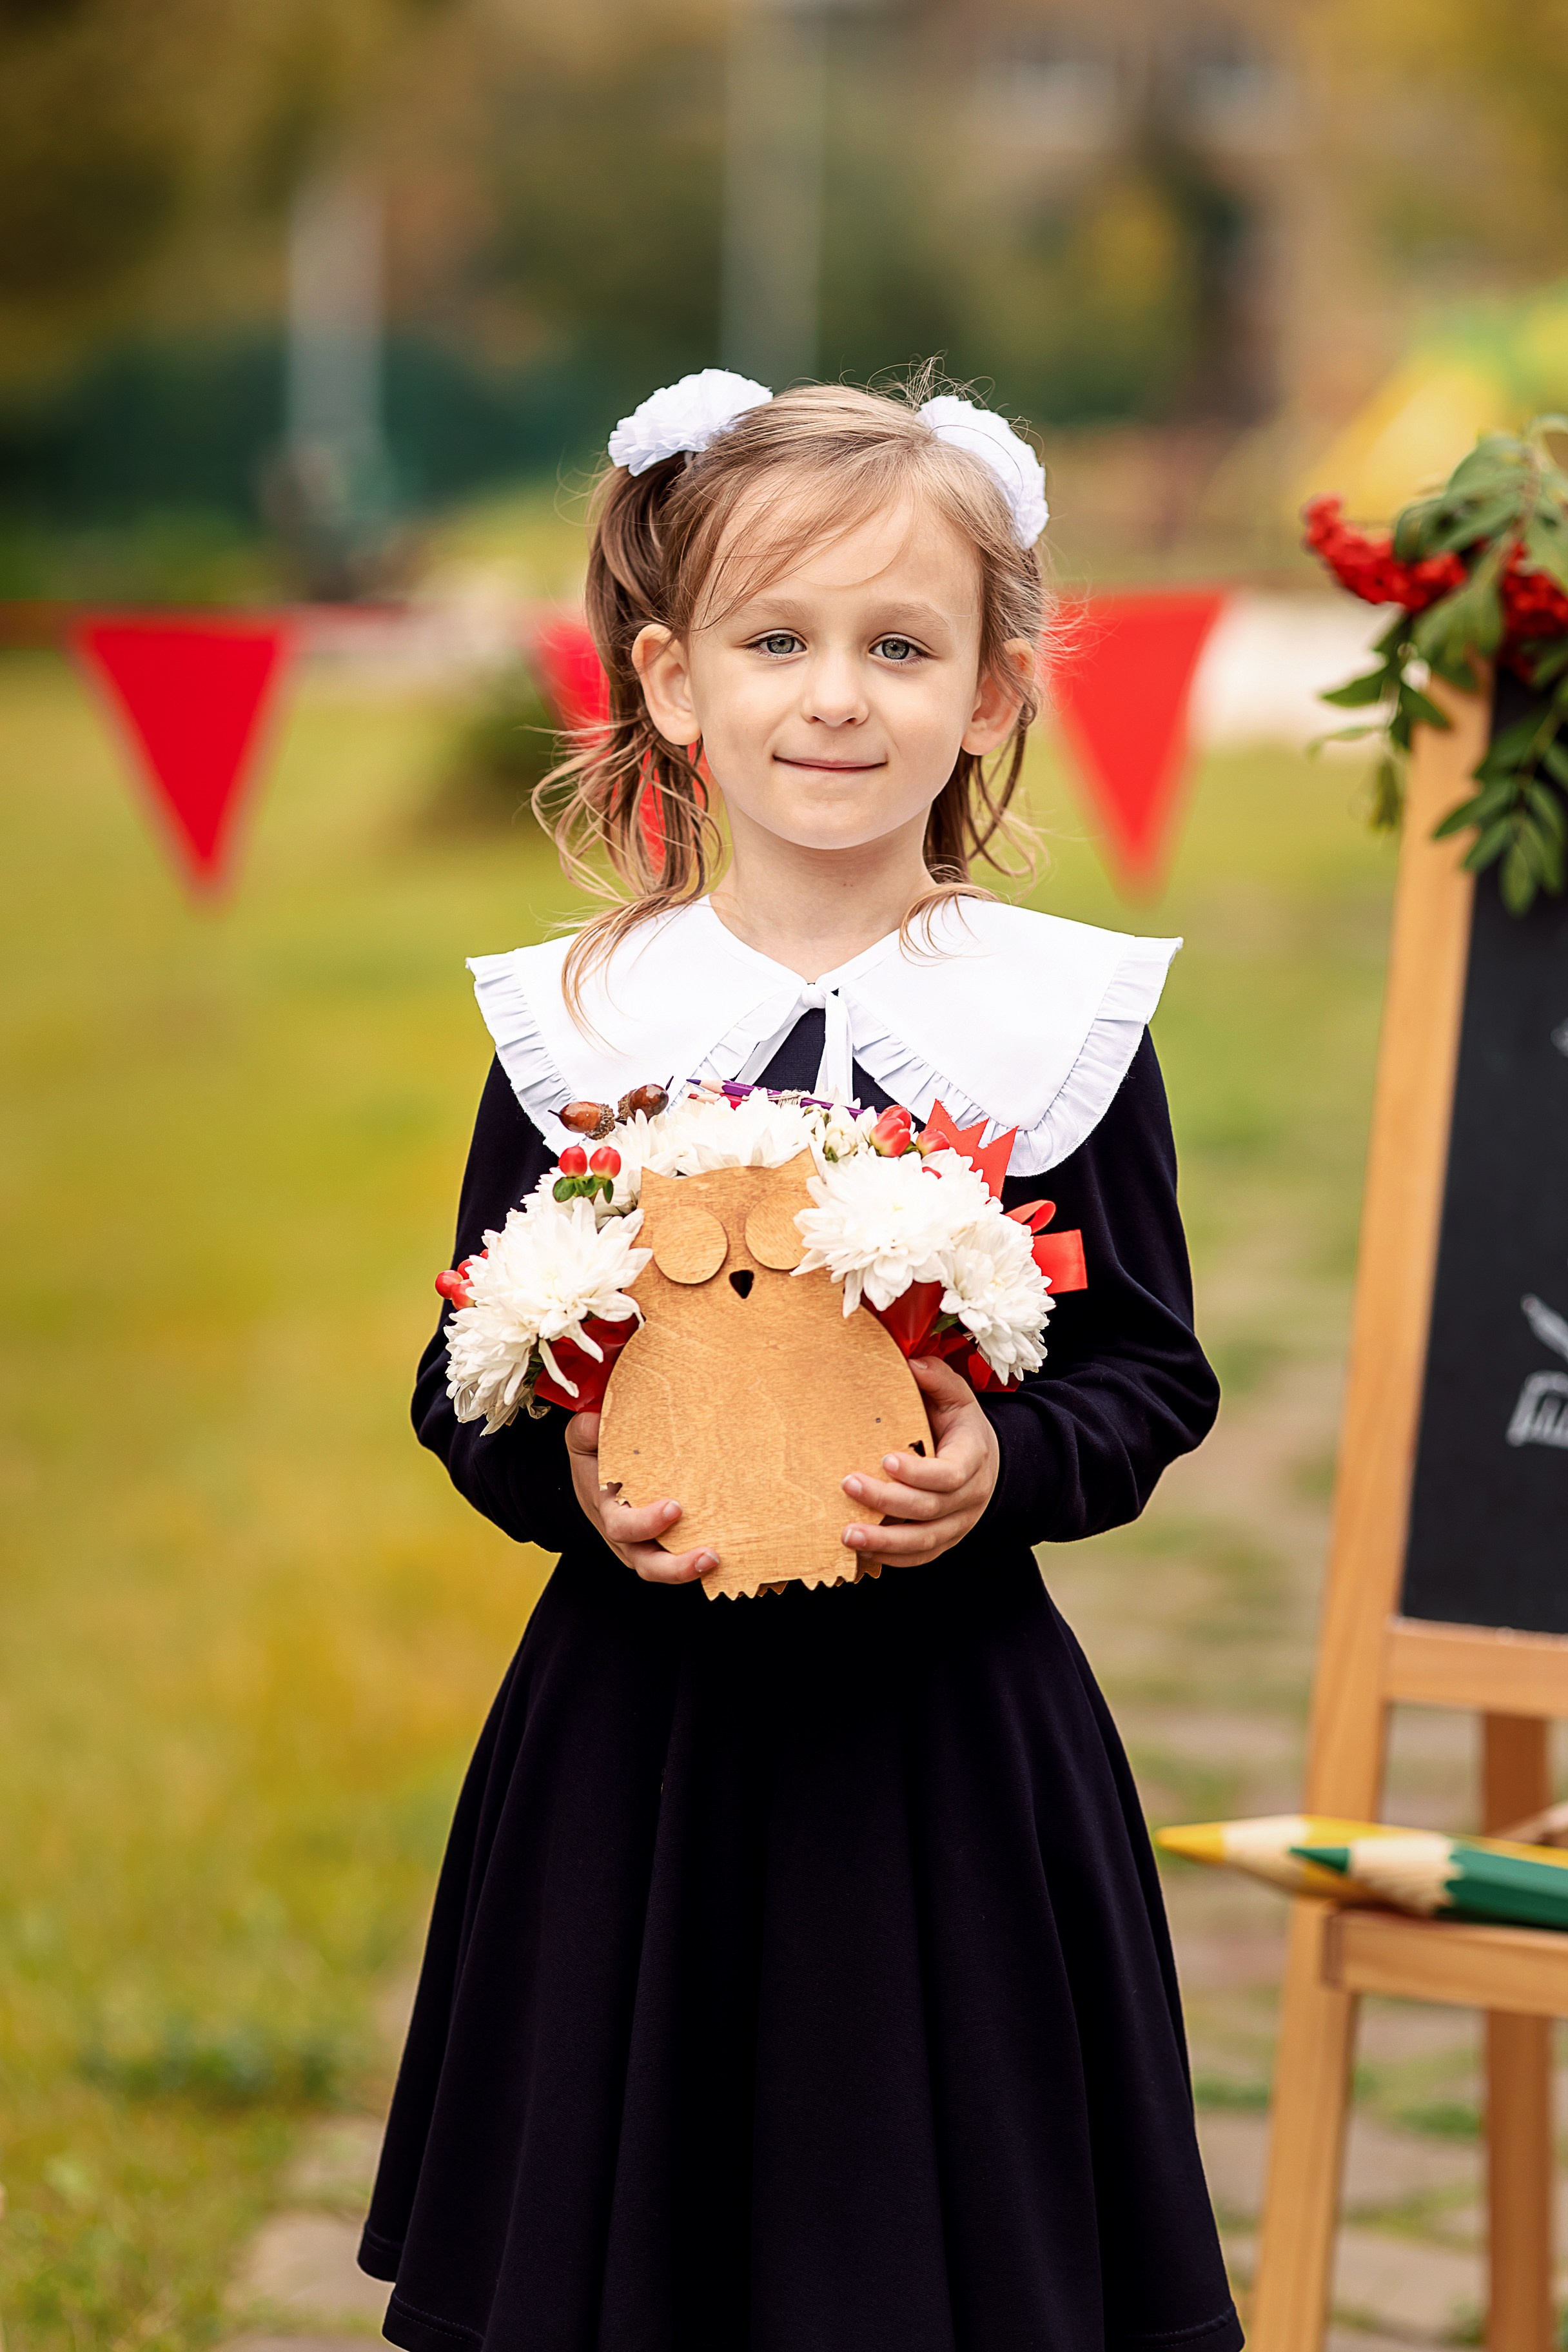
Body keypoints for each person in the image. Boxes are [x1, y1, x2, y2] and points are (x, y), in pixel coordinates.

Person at [359, 370, 1241, 2352]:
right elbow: (464, 1374)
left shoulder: (1059, 1024)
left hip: (942, 1748)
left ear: (992, 695)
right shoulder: (583, 1023)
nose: (836, 696)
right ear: (674, 683)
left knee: (934, 2240)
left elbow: (1152, 1374)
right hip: (636, 1747)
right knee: (629, 2245)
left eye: (900, 646)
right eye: (779, 641)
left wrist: (1004, 1468)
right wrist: (564, 1481)